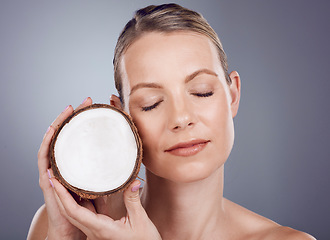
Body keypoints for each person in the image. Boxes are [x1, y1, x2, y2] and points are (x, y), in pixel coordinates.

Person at [27, 3, 315, 240]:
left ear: (233, 95)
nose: (181, 118)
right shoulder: (64, 228)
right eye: (151, 103)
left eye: (202, 91)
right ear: (123, 116)